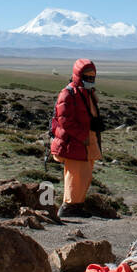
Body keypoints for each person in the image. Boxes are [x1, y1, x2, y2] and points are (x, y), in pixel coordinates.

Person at [49, 58, 103, 218]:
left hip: (86, 142)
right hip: (75, 142)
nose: (90, 80)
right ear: (79, 75)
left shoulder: (86, 93)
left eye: (93, 77)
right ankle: (69, 206)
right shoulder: (68, 93)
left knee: (84, 174)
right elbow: (65, 120)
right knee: (75, 174)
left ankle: (77, 205)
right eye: (87, 77)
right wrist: (82, 136)